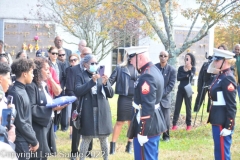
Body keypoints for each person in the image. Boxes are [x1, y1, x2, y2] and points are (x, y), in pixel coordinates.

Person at [126, 46, 167, 160]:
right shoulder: (153, 70)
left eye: (132, 58)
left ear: (140, 57)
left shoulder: (146, 76)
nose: (130, 61)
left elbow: (148, 105)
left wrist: (142, 131)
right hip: (153, 121)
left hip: (147, 125)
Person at [74, 54, 114, 160]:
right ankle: (81, 158)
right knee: (86, 137)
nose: (95, 65)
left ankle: (106, 158)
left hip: (102, 110)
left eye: (96, 63)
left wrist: (106, 84)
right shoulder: (81, 75)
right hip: (88, 110)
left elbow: (111, 94)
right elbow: (78, 91)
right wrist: (92, 82)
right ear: (85, 64)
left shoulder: (101, 74)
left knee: (104, 137)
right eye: (92, 63)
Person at [25, 57, 59, 159]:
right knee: (38, 156)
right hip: (37, 127)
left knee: (44, 155)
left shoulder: (42, 84)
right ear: (38, 70)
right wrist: (52, 109)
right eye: (46, 69)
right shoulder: (31, 86)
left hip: (46, 123)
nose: (49, 72)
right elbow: (31, 108)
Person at [206, 48, 236, 160]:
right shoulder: (220, 76)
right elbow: (208, 71)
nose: (214, 62)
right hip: (217, 118)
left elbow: (231, 105)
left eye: (217, 60)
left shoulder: (227, 78)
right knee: (219, 153)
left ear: (225, 61)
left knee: (223, 154)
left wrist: (229, 126)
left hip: (222, 121)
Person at [8, 58, 39, 160]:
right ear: (24, 74)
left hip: (25, 139)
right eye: (31, 72)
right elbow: (21, 122)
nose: (33, 75)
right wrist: (34, 140)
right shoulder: (16, 93)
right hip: (20, 141)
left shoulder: (22, 89)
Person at [65, 47, 93, 159]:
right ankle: (74, 152)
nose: (88, 55)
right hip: (77, 103)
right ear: (81, 55)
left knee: (89, 127)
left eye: (89, 54)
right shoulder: (73, 70)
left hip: (90, 103)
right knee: (76, 128)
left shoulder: (93, 69)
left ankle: (88, 150)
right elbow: (70, 89)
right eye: (86, 54)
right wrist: (77, 102)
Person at [108, 51, 138, 154]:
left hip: (135, 98)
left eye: (134, 56)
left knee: (132, 123)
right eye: (130, 55)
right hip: (124, 97)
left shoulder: (139, 68)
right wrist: (104, 82)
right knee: (120, 121)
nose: (132, 57)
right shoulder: (119, 68)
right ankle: (112, 146)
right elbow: (110, 81)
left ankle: (129, 146)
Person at [155, 51, 176, 142]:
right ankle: (156, 135)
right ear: (159, 57)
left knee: (166, 119)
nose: (163, 57)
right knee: (155, 117)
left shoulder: (172, 70)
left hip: (165, 98)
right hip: (155, 98)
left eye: (165, 56)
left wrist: (161, 94)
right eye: (161, 56)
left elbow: (171, 86)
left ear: (168, 57)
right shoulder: (154, 68)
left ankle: (166, 136)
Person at [172, 53, 196, 131]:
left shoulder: (193, 68)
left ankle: (188, 125)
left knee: (188, 107)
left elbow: (191, 77)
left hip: (188, 89)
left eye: (188, 58)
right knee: (177, 106)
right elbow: (178, 78)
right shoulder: (180, 68)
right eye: (185, 58)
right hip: (180, 89)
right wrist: (186, 75)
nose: (186, 60)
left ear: (191, 60)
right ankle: (174, 124)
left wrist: (189, 70)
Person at [65, 53, 80, 139]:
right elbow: (69, 84)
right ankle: (71, 133)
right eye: (71, 60)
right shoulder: (69, 70)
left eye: (75, 60)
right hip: (71, 94)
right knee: (71, 114)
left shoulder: (81, 70)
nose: (73, 61)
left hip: (79, 93)